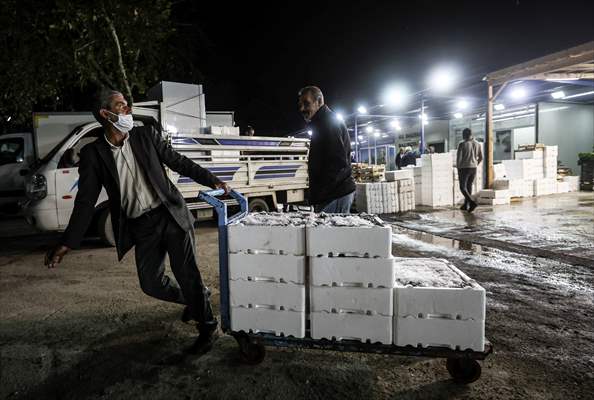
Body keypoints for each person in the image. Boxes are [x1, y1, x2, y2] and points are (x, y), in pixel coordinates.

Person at [44, 90, 229, 355]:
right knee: (151, 283)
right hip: (141, 227)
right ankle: (195, 298)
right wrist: (66, 244)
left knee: (186, 273)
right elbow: (85, 203)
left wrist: (212, 179)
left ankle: (207, 325)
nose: (128, 109)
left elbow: (178, 162)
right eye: (121, 106)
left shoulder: (145, 136)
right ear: (106, 114)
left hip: (170, 215)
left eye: (126, 105)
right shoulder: (93, 155)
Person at [298, 86, 355, 213]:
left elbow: (338, 163)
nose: (302, 108)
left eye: (306, 103)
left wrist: (321, 193)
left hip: (335, 195)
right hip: (331, 194)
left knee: (331, 233)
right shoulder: (322, 123)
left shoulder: (328, 123)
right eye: (300, 104)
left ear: (319, 101)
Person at [457, 128, 483, 212]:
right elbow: (481, 157)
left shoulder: (462, 144)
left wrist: (458, 167)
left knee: (462, 187)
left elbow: (459, 158)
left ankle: (472, 202)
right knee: (469, 186)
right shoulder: (478, 144)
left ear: (464, 135)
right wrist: (475, 163)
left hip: (464, 168)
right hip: (473, 168)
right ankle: (465, 204)